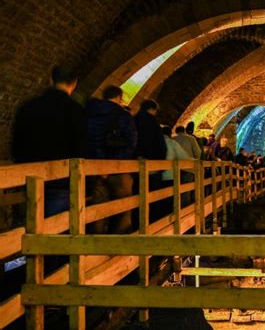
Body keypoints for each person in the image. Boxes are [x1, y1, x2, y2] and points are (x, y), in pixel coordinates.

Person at [12, 64, 87, 217]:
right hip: (60, 180)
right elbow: (80, 148)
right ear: (74, 83)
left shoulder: (28, 107)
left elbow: (16, 144)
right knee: (55, 232)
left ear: (50, 80)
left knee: (26, 229)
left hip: (28, 177)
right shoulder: (76, 111)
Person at [86, 85, 137, 233]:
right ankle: (118, 249)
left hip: (92, 169)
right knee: (122, 210)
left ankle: (94, 249)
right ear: (118, 98)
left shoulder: (88, 114)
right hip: (117, 170)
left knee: (96, 211)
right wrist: (112, 165)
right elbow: (131, 142)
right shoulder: (123, 116)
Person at [134, 99, 167, 224]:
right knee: (153, 197)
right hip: (152, 165)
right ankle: (152, 223)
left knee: (137, 197)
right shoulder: (153, 122)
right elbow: (160, 145)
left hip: (135, 165)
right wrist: (161, 165)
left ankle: (137, 223)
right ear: (152, 109)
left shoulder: (134, 120)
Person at [161, 125, 190, 215]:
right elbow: (184, 157)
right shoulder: (171, 143)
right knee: (168, 202)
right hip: (168, 177)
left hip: (153, 177)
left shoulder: (153, 142)